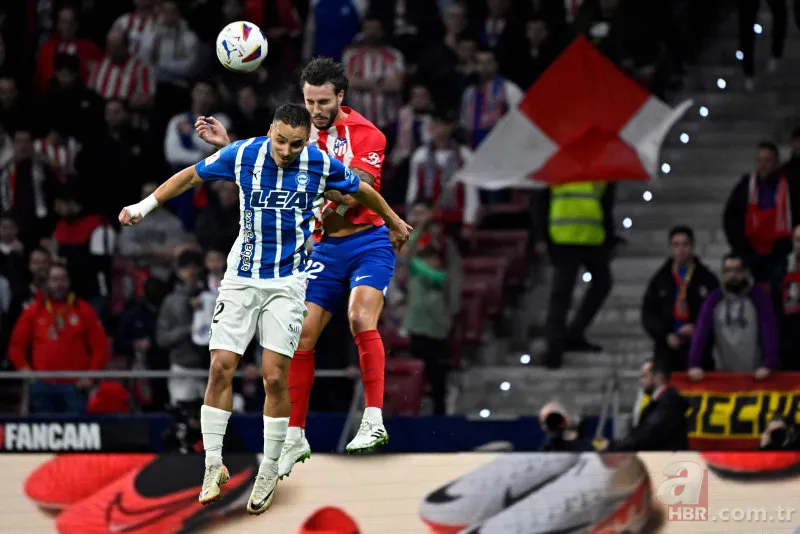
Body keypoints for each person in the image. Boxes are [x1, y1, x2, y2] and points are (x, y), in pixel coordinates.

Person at [120, 103, 410, 515]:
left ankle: (270, 466)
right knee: (221, 366)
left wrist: (393, 219)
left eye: (296, 143)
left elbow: (359, 189)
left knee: (275, 377)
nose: (287, 150)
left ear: (305, 139)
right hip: (240, 277)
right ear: (269, 130)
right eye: (281, 141)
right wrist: (142, 207)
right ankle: (213, 465)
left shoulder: (319, 162)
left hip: (288, 284)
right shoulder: (242, 154)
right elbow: (189, 177)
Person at [195, 58, 399, 474]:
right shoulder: (302, 137)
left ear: (340, 97)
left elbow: (353, 193)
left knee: (361, 317)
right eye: (308, 101)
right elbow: (269, 163)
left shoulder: (368, 135)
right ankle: (295, 437)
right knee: (301, 337)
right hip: (322, 248)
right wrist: (230, 147)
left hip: (366, 241)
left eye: (323, 101)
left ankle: (374, 419)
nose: (315, 110)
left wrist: (310, 182)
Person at [596, 359, 689, 451]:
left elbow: (646, 436)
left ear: (658, 377)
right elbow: (639, 435)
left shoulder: (669, 403)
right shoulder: (656, 404)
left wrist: (611, 446)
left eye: (644, 376)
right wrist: (612, 443)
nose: (641, 381)